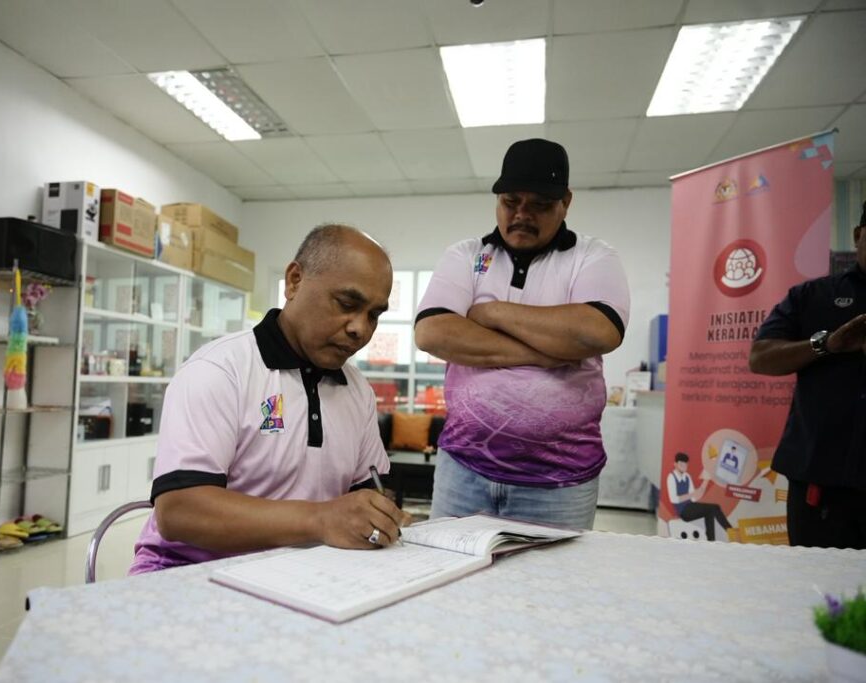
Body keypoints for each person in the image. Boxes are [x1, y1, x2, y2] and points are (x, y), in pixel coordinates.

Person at [130, 224, 412, 573]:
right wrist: (321, 519)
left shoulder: (357, 391)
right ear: (294, 281)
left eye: (374, 315)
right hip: (187, 572)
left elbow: (370, 494)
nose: (361, 329)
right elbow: (179, 511)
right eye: (346, 304)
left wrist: (382, 518)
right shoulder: (220, 370)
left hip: (297, 574)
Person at [415, 138, 630, 529]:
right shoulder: (466, 255)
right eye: (510, 202)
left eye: (540, 205)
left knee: (554, 573)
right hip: (462, 472)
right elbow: (433, 333)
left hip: (560, 484)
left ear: (566, 201)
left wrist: (490, 312)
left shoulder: (593, 257)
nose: (522, 215)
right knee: (450, 569)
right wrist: (547, 352)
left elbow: (597, 332)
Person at [748, 202, 866, 549]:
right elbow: (760, 358)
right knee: (814, 580)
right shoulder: (813, 297)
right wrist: (827, 344)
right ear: (858, 235)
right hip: (821, 483)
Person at [665, 452, 733, 541]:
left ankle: (711, 540)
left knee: (711, 510)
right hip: (683, 511)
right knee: (713, 508)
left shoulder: (687, 476)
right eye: (681, 464)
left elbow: (694, 498)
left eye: (685, 464)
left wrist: (705, 481)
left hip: (690, 506)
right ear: (675, 464)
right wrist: (692, 494)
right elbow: (674, 499)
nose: (683, 466)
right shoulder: (671, 477)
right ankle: (731, 532)